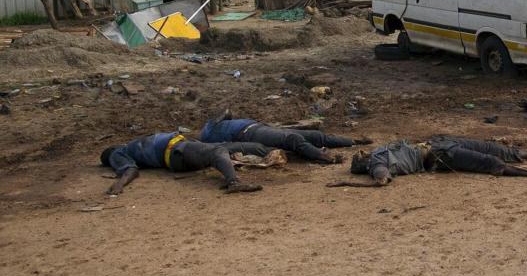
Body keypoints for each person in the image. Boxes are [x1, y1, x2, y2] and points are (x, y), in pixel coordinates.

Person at [101, 132, 268, 195]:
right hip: (176, 152)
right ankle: (233, 183)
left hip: (182, 146)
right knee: (218, 151)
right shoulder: (117, 154)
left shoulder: (130, 147)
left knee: (235, 146)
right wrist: (120, 184)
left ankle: (281, 151)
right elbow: (130, 169)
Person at [348, 136, 527, 186]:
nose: (361, 153)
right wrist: (377, 176)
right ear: (362, 164)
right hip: (439, 157)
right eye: (359, 157)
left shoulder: (379, 152)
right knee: (489, 160)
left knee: (494, 148)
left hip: (439, 144)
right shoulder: (375, 163)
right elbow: (382, 179)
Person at [199, 110, 372, 164]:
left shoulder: (210, 129)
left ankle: (352, 142)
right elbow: (225, 114)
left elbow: (226, 114)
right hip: (251, 133)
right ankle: (326, 157)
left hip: (260, 127)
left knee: (314, 135)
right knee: (293, 139)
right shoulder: (207, 132)